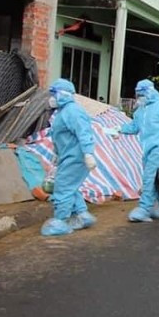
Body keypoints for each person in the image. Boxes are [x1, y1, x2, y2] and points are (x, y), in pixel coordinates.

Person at [121, 79, 159, 222]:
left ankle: (144, 208)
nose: (140, 97)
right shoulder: (140, 111)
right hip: (147, 149)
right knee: (157, 178)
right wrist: (118, 129)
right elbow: (134, 127)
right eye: (138, 94)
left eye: (142, 93)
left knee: (150, 177)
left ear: (150, 91)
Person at [41, 79, 97, 236]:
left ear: (62, 94)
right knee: (71, 187)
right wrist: (57, 156)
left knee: (63, 188)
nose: (51, 98)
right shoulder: (63, 112)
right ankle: (82, 215)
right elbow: (62, 137)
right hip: (69, 156)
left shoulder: (73, 111)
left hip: (76, 157)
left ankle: (60, 221)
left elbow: (84, 133)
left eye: (54, 94)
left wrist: (88, 153)